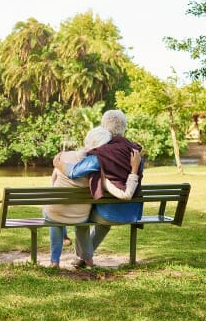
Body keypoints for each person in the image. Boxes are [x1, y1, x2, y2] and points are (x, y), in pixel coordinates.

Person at [53, 110, 144, 268]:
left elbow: (74, 172)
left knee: (81, 218)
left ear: (104, 126)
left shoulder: (101, 154)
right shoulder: (135, 151)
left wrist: (58, 164)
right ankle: (83, 258)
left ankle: (84, 256)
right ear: (124, 127)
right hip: (132, 212)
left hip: (110, 212)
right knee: (102, 219)